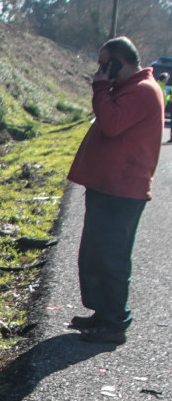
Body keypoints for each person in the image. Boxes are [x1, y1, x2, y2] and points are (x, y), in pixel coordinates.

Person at [66, 36, 164, 344]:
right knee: (95, 254)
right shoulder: (128, 89)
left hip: (123, 191)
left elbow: (111, 124)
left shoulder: (143, 90)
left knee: (111, 257)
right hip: (109, 187)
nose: (98, 70)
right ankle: (102, 313)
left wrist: (100, 89)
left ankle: (115, 323)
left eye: (103, 63)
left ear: (116, 63)